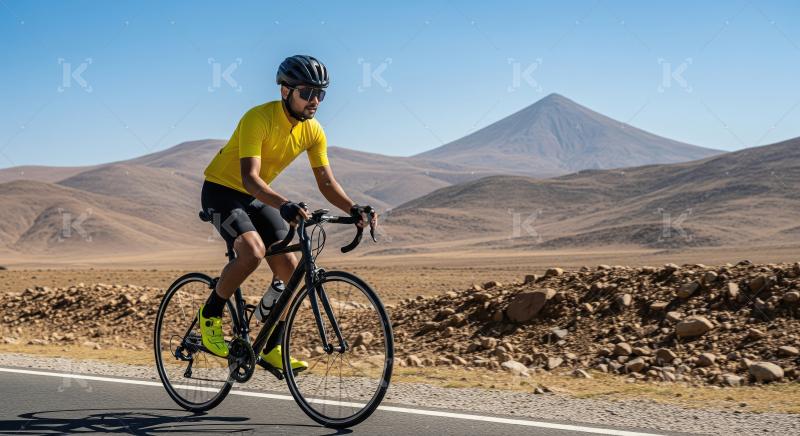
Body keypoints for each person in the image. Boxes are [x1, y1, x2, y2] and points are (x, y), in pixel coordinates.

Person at [199, 55, 377, 372]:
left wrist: (352, 208)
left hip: (257, 197)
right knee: (252, 253)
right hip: (221, 191)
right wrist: (284, 204)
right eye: (307, 92)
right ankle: (211, 314)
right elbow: (250, 178)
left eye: (321, 94)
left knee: (290, 269)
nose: (315, 101)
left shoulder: (313, 131)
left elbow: (326, 181)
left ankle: (271, 347)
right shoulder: (258, 118)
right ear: (286, 91)